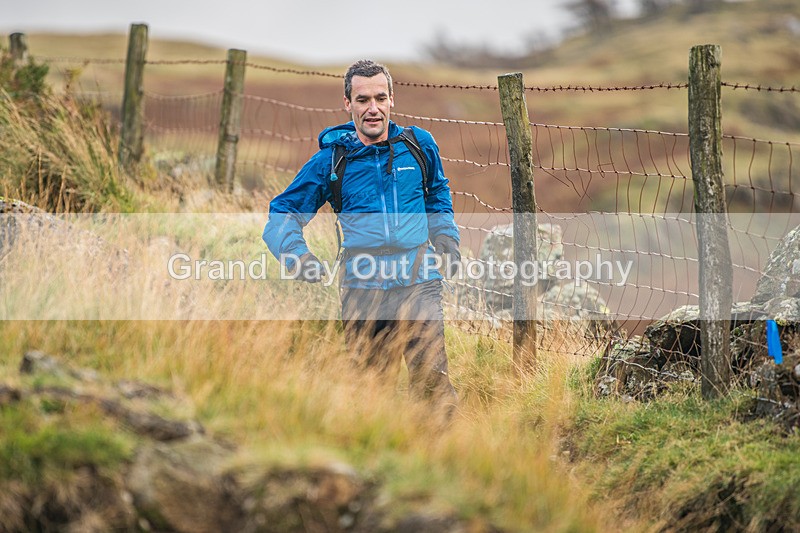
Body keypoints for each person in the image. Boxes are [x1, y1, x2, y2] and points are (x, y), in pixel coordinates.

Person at [262, 59, 460, 417]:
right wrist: (297, 256)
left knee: (432, 382)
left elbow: (437, 193)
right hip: (362, 287)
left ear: (392, 100)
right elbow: (283, 212)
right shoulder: (331, 162)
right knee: (370, 393)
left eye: (380, 98)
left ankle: (439, 460)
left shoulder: (419, 145)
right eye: (363, 99)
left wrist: (445, 236)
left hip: (419, 280)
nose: (373, 108)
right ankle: (376, 460)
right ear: (347, 103)